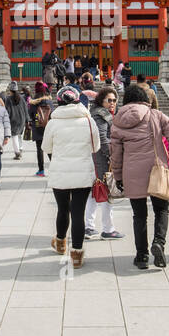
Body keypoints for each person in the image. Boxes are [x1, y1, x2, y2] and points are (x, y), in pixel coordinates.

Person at [109, 84, 169, 270]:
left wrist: (117, 175)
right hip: (157, 168)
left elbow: (115, 154)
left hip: (131, 172)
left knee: (139, 214)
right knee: (161, 209)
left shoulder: (117, 120)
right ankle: (159, 242)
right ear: (144, 99)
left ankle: (141, 256)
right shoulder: (156, 115)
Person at [42, 87, 100, 269]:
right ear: (77, 101)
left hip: (60, 171)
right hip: (83, 172)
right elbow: (95, 147)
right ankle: (76, 254)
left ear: (58, 102)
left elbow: (46, 147)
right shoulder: (89, 121)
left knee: (62, 209)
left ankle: (60, 243)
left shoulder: (53, 122)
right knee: (78, 212)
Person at [84, 85, 124, 241]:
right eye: (109, 100)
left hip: (95, 158)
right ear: (101, 100)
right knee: (106, 192)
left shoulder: (99, 113)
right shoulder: (100, 115)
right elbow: (102, 137)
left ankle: (89, 226)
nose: (112, 103)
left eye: (114, 100)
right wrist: (113, 156)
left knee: (94, 193)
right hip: (101, 160)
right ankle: (108, 229)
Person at [29, 81, 54, 176]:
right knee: (50, 149)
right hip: (48, 127)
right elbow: (53, 114)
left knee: (39, 149)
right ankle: (54, 168)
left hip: (37, 126)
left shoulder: (33, 103)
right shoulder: (49, 101)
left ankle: (41, 170)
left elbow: (31, 114)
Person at [4, 82, 29, 160]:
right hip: (22, 119)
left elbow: (7, 110)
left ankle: (17, 152)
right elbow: (25, 109)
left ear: (10, 90)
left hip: (13, 119)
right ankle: (20, 148)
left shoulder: (8, 99)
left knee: (14, 136)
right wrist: (27, 119)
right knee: (19, 135)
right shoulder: (21, 98)